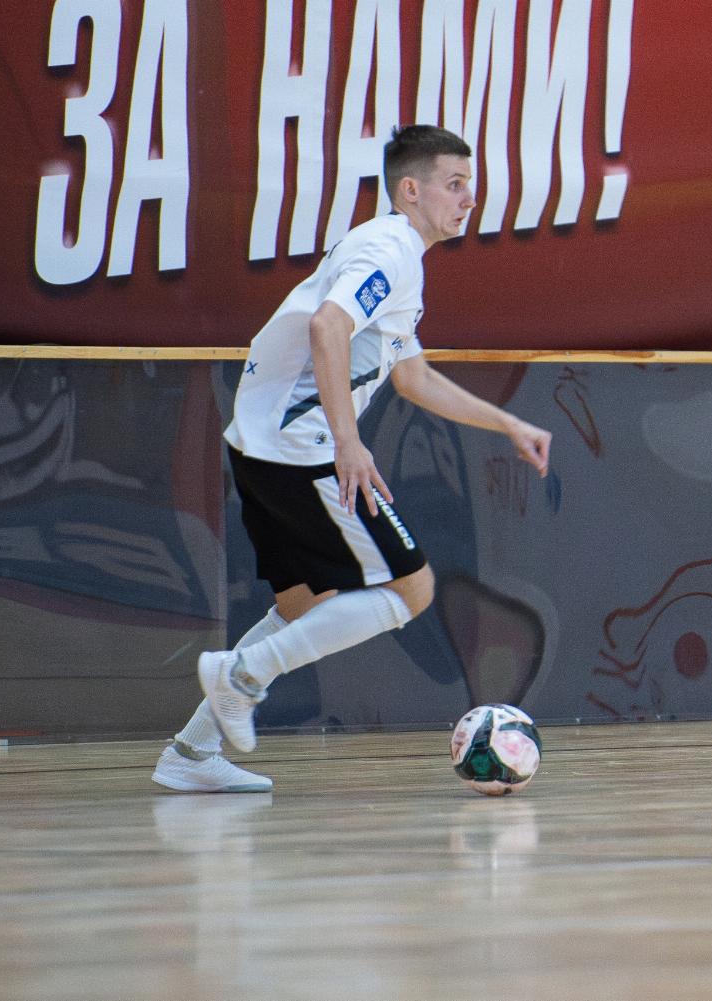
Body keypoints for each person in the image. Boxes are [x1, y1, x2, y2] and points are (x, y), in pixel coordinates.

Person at [152, 125, 552, 793]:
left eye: (470, 186)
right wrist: (347, 440)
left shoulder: (394, 257)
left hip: (264, 444)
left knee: (303, 606)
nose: (468, 199)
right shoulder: (389, 250)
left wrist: (507, 422)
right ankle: (241, 676)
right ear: (410, 190)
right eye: (455, 185)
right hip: (298, 447)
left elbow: (412, 378)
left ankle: (190, 753)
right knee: (411, 588)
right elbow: (327, 326)